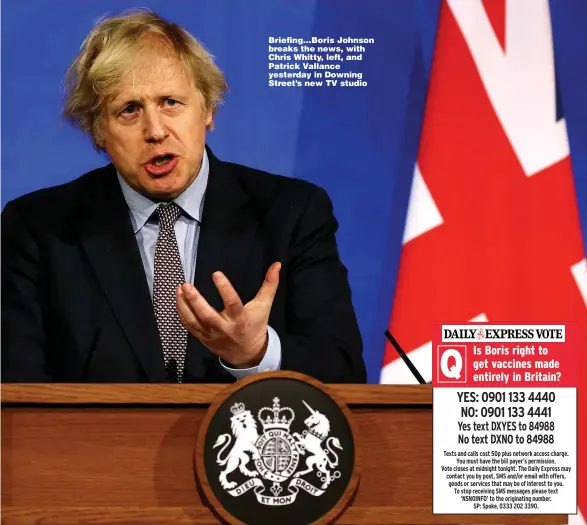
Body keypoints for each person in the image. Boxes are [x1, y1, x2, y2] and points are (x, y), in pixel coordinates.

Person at [1, 10, 366, 384]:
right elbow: (16, 396)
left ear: (207, 109)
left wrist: (255, 353)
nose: (156, 130)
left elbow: (344, 371)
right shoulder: (38, 230)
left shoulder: (291, 214)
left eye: (171, 102)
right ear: (99, 132)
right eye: (129, 110)